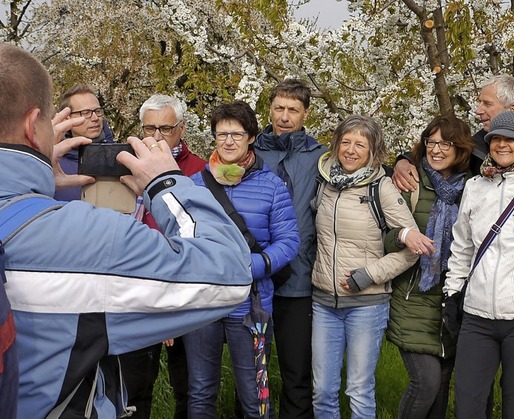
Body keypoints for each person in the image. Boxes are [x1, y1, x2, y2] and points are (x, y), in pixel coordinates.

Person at [0, 42, 253, 418]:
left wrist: (35, 179)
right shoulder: (86, 237)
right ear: (33, 125)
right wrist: (166, 182)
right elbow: (229, 272)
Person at [183, 100, 300, 418]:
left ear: (250, 137)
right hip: (203, 304)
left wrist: (254, 266)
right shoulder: (195, 186)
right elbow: (181, 240)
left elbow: (289, 242)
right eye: (222, 134)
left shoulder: (271, 186)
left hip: (250, 305)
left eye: (236, 133)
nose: (229, 141)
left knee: (256, 396)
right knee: (200, 393)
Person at [443, 111, 514, 418]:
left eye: (510, 139)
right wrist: (453, 293)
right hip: (477, 316)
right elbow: (463, 246)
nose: (502, 145)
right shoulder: (475, 187)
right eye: (496, 138)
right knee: (467, 407)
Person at [311, 114, 426, 418]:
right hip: (324, 302)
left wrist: (368, 275)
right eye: (345, 142)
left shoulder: (382, 189)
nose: (350, 150)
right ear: (335, 145)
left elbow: (411, 250)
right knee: (322, 390)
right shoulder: (325, 182)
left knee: (359, 389)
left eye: (359, 144)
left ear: (373, 152)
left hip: (366, 304)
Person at [119, 94, 207, 419]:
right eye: (150, 128)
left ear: (181, 129)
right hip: (139, 293)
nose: (156, 137)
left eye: (165, 128)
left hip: (184, 292)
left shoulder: (199, 171)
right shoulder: (126, 167)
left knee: (188, 386)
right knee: (135, 387)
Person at [385, 115, 475, 419]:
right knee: (425, 383)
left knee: (441, 387)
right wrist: (403, 237)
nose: (436, 150)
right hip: (413, 300)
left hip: (452, 303)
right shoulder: (408, 182)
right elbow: (381, 238)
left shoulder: (473, 188)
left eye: (445, 143)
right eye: (431, 142)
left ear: (460, 148)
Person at [253, 78, 327, 419]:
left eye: (293, 110)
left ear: (305, 114)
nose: (284, 117)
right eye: (279, 108)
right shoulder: (251, 152)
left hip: (299, 279)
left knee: (298, 371)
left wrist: (401, 160)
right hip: (256, 277)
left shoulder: (320, 156)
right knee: (254, 369)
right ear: (270, 109)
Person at [392, 74, 514, 191]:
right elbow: (440, 151)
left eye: (487, 104)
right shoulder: (476, 147)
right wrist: (404, 161)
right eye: (479, 103)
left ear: (512, 110)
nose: (478, 110)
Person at [53, 84, 115, 201]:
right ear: (67, 118)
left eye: (97, 111)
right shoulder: (53, 162)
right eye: (86, 113)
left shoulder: (117, 157)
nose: (95, 117)